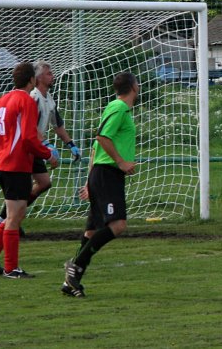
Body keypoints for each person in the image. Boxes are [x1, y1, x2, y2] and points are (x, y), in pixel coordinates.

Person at [62, 72, 139, 297]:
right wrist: (121, 162)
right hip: (108, 174)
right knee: (118, 224)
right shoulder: (119, 108)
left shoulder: (117, 108)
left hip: (101, 174)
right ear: (134, 87)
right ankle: (75, 266)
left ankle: (70, 282)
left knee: (91, 231)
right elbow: (102, 138)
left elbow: (97, 147)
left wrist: (89, 180)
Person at [0, 62, 57, 279]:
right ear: (32, 80)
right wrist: (48, 154)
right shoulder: (26, 101)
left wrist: (1, 148)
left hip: (2, 164)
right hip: (16, 165)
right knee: (14, 217)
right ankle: (10, 268)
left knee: (15, 214)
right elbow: (29, 138)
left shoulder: (1, 100)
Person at [0, 61, 81, 231]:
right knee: (30, 186)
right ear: (37, 78)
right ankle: (5, 220)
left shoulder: (48, 98)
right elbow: (29, 126)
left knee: (44, 183)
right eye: (49, 73)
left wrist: (70, 144)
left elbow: (58, 125)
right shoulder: (32, 97)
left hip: (35, 147)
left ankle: (8, 219)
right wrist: (46, 145)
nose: (52, 76)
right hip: (28, 147)